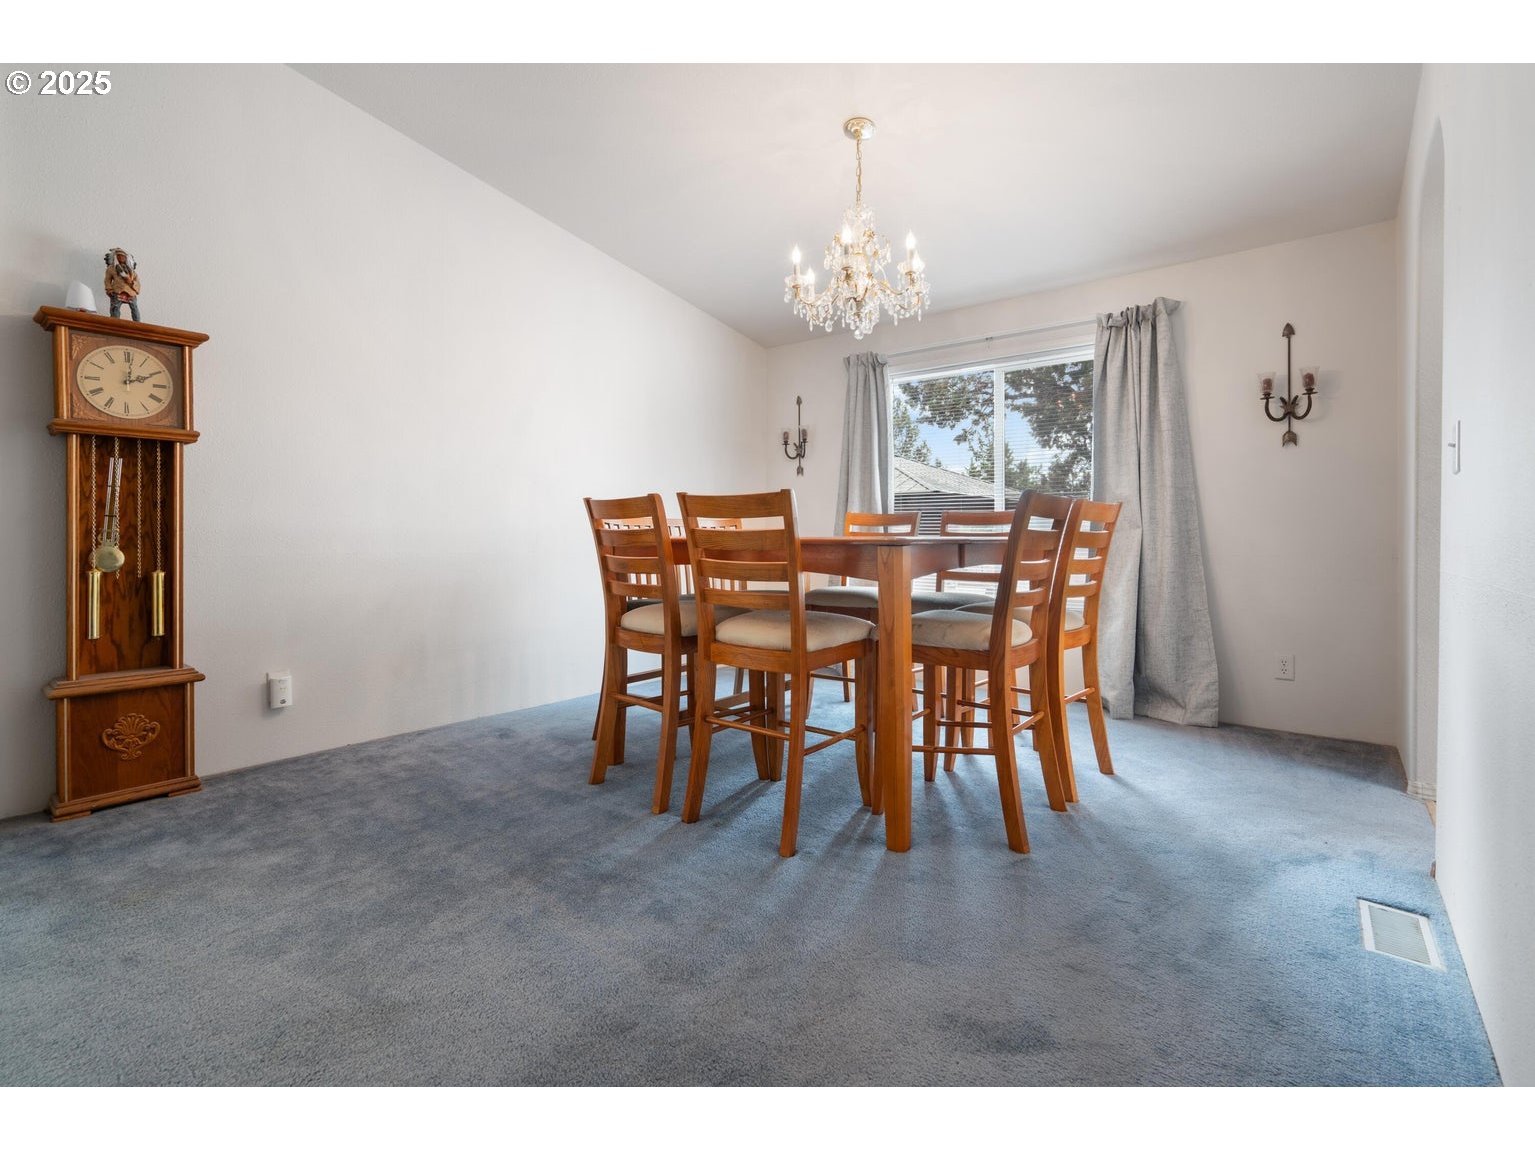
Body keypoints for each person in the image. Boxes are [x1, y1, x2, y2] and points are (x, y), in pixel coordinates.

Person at [103, 248, 141, 321]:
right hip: (117, 291)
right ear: (115, 257)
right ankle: (115, 322)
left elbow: (137, 282)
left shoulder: (131, 271)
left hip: (130, 292)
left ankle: (137, 323)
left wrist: (132, 282)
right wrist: (109, 289)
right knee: (115, 307)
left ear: (126, 258)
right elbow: (107, 279)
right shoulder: (112, 268)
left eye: (123, 256)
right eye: (119, 256)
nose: (121, 258)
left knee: (134, 307)